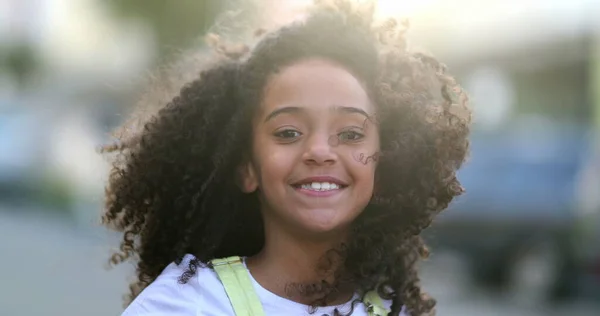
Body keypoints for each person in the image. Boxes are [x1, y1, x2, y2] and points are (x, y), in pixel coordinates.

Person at [101, 1, 471, 315]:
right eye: (288, 133)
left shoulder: (393, 308)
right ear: (247, 167)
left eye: (351, 134)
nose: (320, 151)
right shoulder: (185, 304)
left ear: (381, 160)